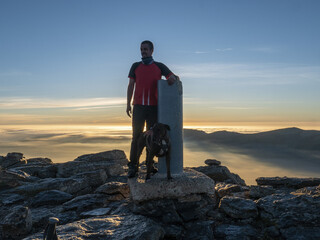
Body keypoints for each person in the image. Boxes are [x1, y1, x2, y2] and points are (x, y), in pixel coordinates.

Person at [126, 40, 179, 178]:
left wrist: (172, 78)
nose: (143, 51)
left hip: (154, 108)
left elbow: (172, 76)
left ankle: (149, 166)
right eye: (141, 49)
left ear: (151, 50)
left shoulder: (159, 66)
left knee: (153, 138)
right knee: (136, 137)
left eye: (145, 49)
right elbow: (131, 85)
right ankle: (133, 166)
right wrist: (128, 104)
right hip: (138, 107)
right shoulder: (135, 66)